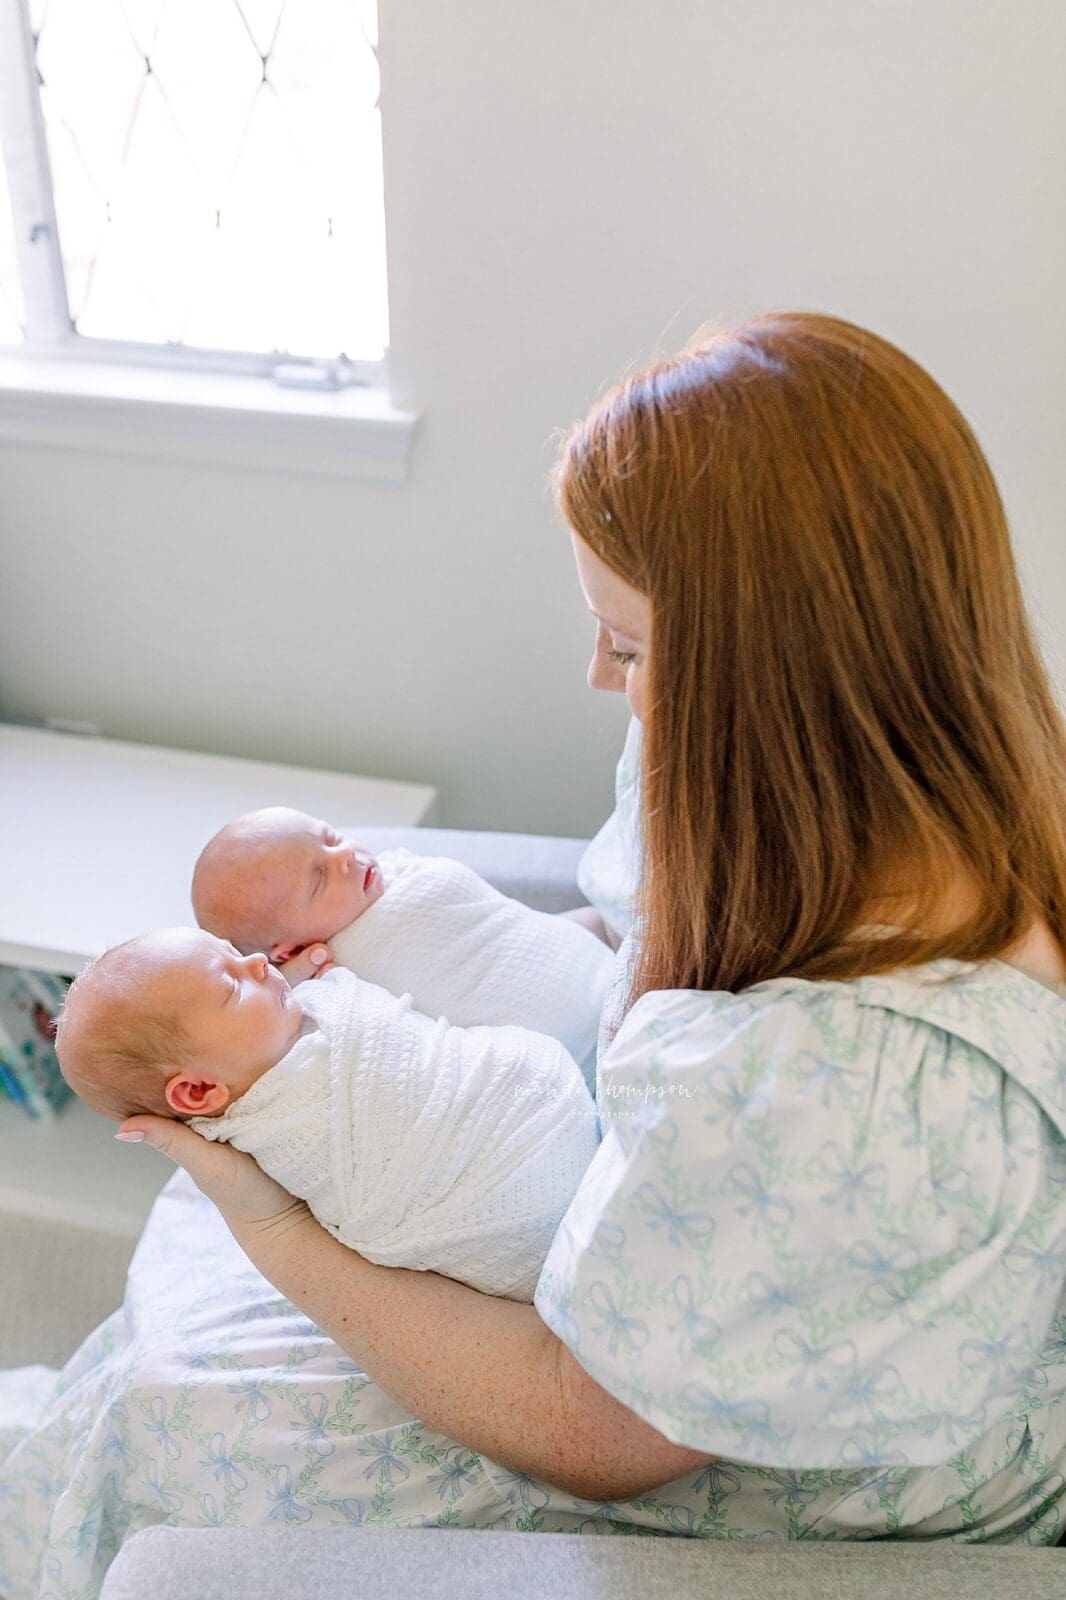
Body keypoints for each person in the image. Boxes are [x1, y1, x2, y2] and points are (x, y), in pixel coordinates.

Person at [3, 314, 1064, 1596]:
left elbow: (594, 1429)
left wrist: (274, 1221)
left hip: (758, 1441)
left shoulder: (846, 1083)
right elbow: (615, 933)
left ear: (765, 675)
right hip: (628, 1224)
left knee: (179, 1416)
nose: (597, 673)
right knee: (138, 1372)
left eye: (628, 642)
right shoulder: (780, 780)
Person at [55, 926, 598, 1301]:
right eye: (231, 986)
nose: (258, 962)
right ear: (197, 1093)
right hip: (500, 1210)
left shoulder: (299, 1011)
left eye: (234, 950)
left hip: (526, 1104)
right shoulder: (270, 1131)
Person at [191, 805, 614, 1078]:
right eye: (319, 879)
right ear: (285, 951)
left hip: (601, 973)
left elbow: (493, 929)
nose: (344, 859)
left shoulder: (388, 876)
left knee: (595, 921)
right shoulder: (336, 983)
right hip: (575, 1056)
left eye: (332, 837)